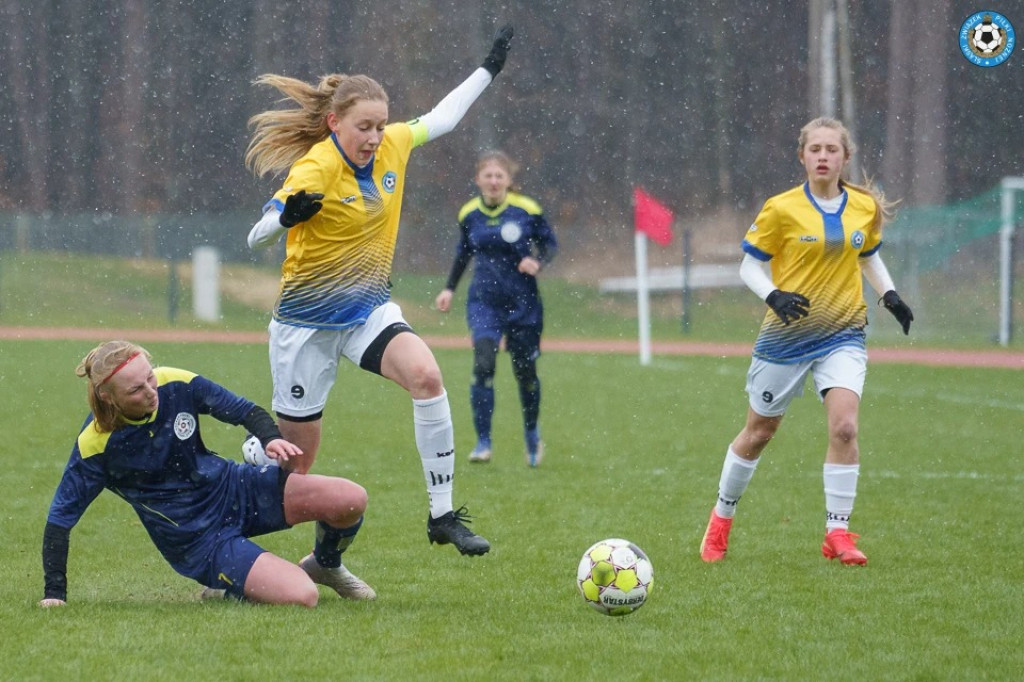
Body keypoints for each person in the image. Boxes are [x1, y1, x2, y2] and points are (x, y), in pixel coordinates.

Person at [241, 25, 516, 558]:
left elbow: (443, 117)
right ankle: (245, 463)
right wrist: (285, 218)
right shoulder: (316, 166)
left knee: (428, 377)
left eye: (379, 126)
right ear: (334, 123)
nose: (373, 137)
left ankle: (442, 516)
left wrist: (488, 69)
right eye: (363, 127)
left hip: (366, 310)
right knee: (296, 461)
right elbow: (256, 234)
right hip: (306, 326)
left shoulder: (393, 144)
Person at [699, 117, 915, 566]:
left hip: (844, 331)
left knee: (845, 427)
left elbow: (868, 253)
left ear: (845, 157)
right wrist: (773, 295)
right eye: (814, 149)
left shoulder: (862, 206)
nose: (822, 156)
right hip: (786, 336)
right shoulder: (780, 208)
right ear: (802, 156)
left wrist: (889, 294)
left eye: (831, 149)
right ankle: (721, 520)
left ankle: (837, 532)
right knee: (759, 432)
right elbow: (749, 266)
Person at [40, 341, 374, 609]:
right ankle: (223, 586)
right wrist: (55, 592)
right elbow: (60, 519)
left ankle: (325, 564)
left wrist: (271, 439)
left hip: (233, 488)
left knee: (350, 500)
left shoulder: (174, 382)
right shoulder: (95, 445)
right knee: (303, 596)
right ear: (106, 397)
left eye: (150, 378)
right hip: (197, 537)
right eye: (136, 391)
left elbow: (244, 410)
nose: (151, 391)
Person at [434, 150, 557, 467]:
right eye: (487, 176)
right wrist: (449, 288)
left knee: (525, 373)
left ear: (508, 181)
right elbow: (462, 254)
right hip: (484, 302)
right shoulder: (469, 213)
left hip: (523, 304)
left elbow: (549, 244)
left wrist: (538, 261)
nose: (493, 181)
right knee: (484, 364)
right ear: (478, 179)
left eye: (498, 176)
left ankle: (532, 434)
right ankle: (483, 442)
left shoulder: (526, 210)